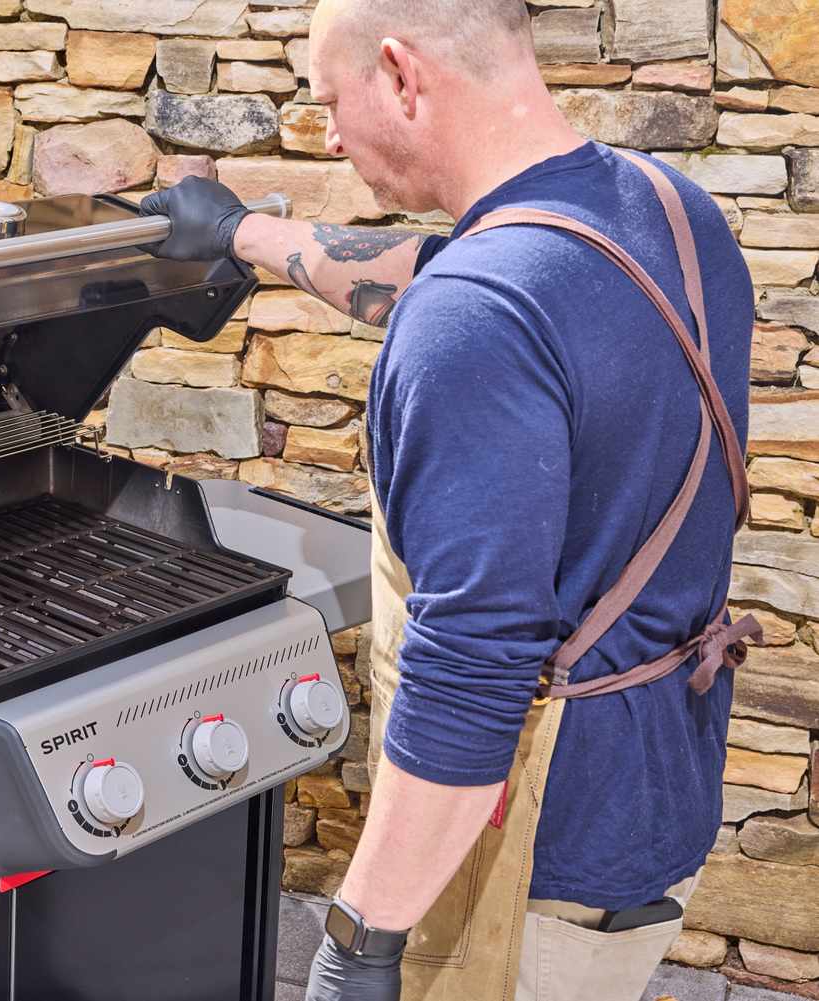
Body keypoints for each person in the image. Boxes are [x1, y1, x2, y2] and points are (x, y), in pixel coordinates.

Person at [139, 2, 760, 1000]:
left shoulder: (474, 323)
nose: (329, 137)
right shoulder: (670, 212)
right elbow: (470, 278)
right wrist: (241, 233)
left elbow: (471, 671)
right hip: (655, 801)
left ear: (400, 73)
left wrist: (359, 941)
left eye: (332, 101)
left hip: (520, 878)